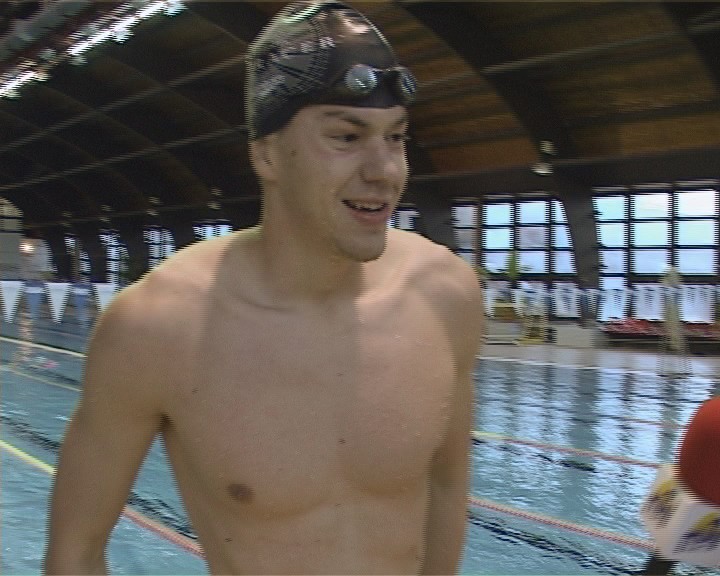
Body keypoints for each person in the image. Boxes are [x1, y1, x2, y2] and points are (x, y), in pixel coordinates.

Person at [43, 2, 483, 574]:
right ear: (267, 155)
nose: (386, 171)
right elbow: (75, 554)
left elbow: (447, 486)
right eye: (346, 137)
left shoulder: (445, 294)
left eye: (395, 137)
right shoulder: (157, 326)